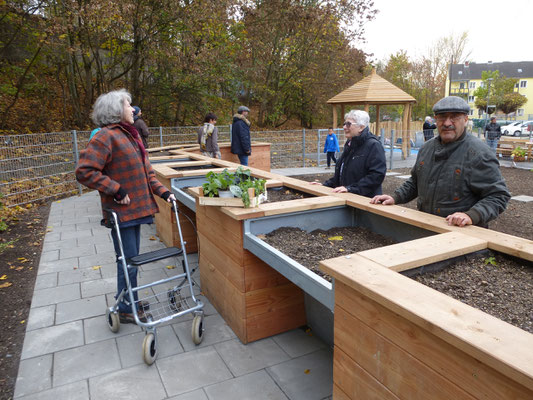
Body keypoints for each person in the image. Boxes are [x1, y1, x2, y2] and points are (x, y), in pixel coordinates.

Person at [75, 89, 176, 323]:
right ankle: (126, 308)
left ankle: (130, 300)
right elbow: (84, 171)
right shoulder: (105, 136)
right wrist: (116, 189)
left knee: (132, 260)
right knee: (128, 261)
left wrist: (164, 192)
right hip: (122, 213)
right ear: (115, 110)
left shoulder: (131, 135)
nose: (133, 109)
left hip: (137, 211)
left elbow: (146, 173)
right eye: (128, 105)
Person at [370, 96, 510, 228]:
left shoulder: (479, 153)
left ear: (466, 119)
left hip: (462, 236)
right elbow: (415, 182)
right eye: (442, 117)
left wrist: (471, 215)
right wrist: (395, 197)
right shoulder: (426, 148)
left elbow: (498, 195)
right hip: (426, 226)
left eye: (454, 117)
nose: (447, 123)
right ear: (435, 120)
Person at [311, 110, 386, 197]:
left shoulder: (373, 145)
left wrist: (351, 189)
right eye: (344, 124)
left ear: (361, 127)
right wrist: (325, 185)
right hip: (349, 198)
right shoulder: (350, 144)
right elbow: (342, 174)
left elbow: (376, 176)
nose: (344, 127)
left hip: (365, 202)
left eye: (348, 124)